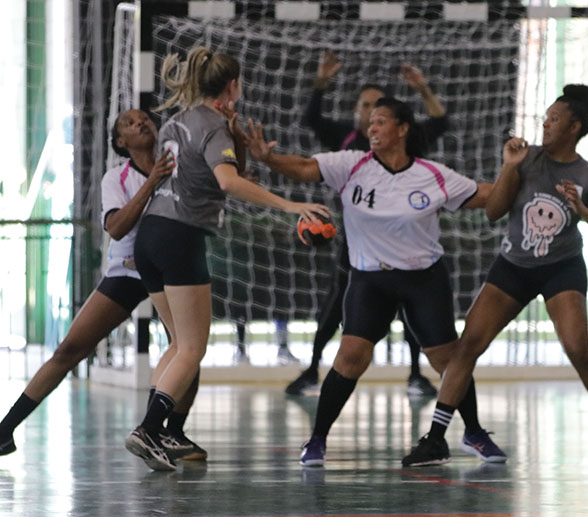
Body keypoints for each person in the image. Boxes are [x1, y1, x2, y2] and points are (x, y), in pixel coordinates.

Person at [245, 96, 505, 467]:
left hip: (424, 279)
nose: (372, 128)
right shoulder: (351, 165)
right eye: (371, 122)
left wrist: (518, 176)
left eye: (381, 121)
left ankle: (474, 433)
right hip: (370, 279)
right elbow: (303, 167)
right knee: (350, 356)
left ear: (403, 129)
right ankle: (317, 440)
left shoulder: (432, 175)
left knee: (448, 360)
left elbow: (487, 194)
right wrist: (268, 159)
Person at [402, 84, 588, 469]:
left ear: (574, 128)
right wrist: (509, 166)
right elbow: (493, 211)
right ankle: (435, 439)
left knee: (578, 350)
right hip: (513, 266)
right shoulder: (526, 159)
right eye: (545, 118)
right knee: (468, 346)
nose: (545, 124)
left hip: (561, 269)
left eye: (554, 119)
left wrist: (583, 211)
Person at [124, 47, 330, 471]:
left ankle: (160, 431)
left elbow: (207, 175)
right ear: (232, 85)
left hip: (151, 233)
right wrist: (290, 205)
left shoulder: (177, 121)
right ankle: (149, 429)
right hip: (181, 236)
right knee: (193, 348)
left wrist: (236, 144)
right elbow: (227, 182)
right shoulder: (213, 125)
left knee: (178, 343)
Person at [0, 109, 202, 460]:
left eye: (144, 119)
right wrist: (152, 182)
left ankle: (171, 433)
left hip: (169, 270)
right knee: (69, 350)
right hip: (129, 271)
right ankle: (5, 430)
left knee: (187, 346)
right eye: (129, 123)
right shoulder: (117, 178)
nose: (141, 123)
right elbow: (117, 228)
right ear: (120, 142)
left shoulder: (178, 169)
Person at [285, 51, 449, 396]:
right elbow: (311, 119)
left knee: (410, 311)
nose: (370, 112)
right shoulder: (346, 142)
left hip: (403, 244)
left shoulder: (405, 143)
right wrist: (321, 82)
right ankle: (313, 370)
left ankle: (416, 375)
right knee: (334, 308)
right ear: (358, 111)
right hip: (358, 245)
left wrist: (423, 89)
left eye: (377, 107)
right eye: (365, 106)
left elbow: (440, 122)